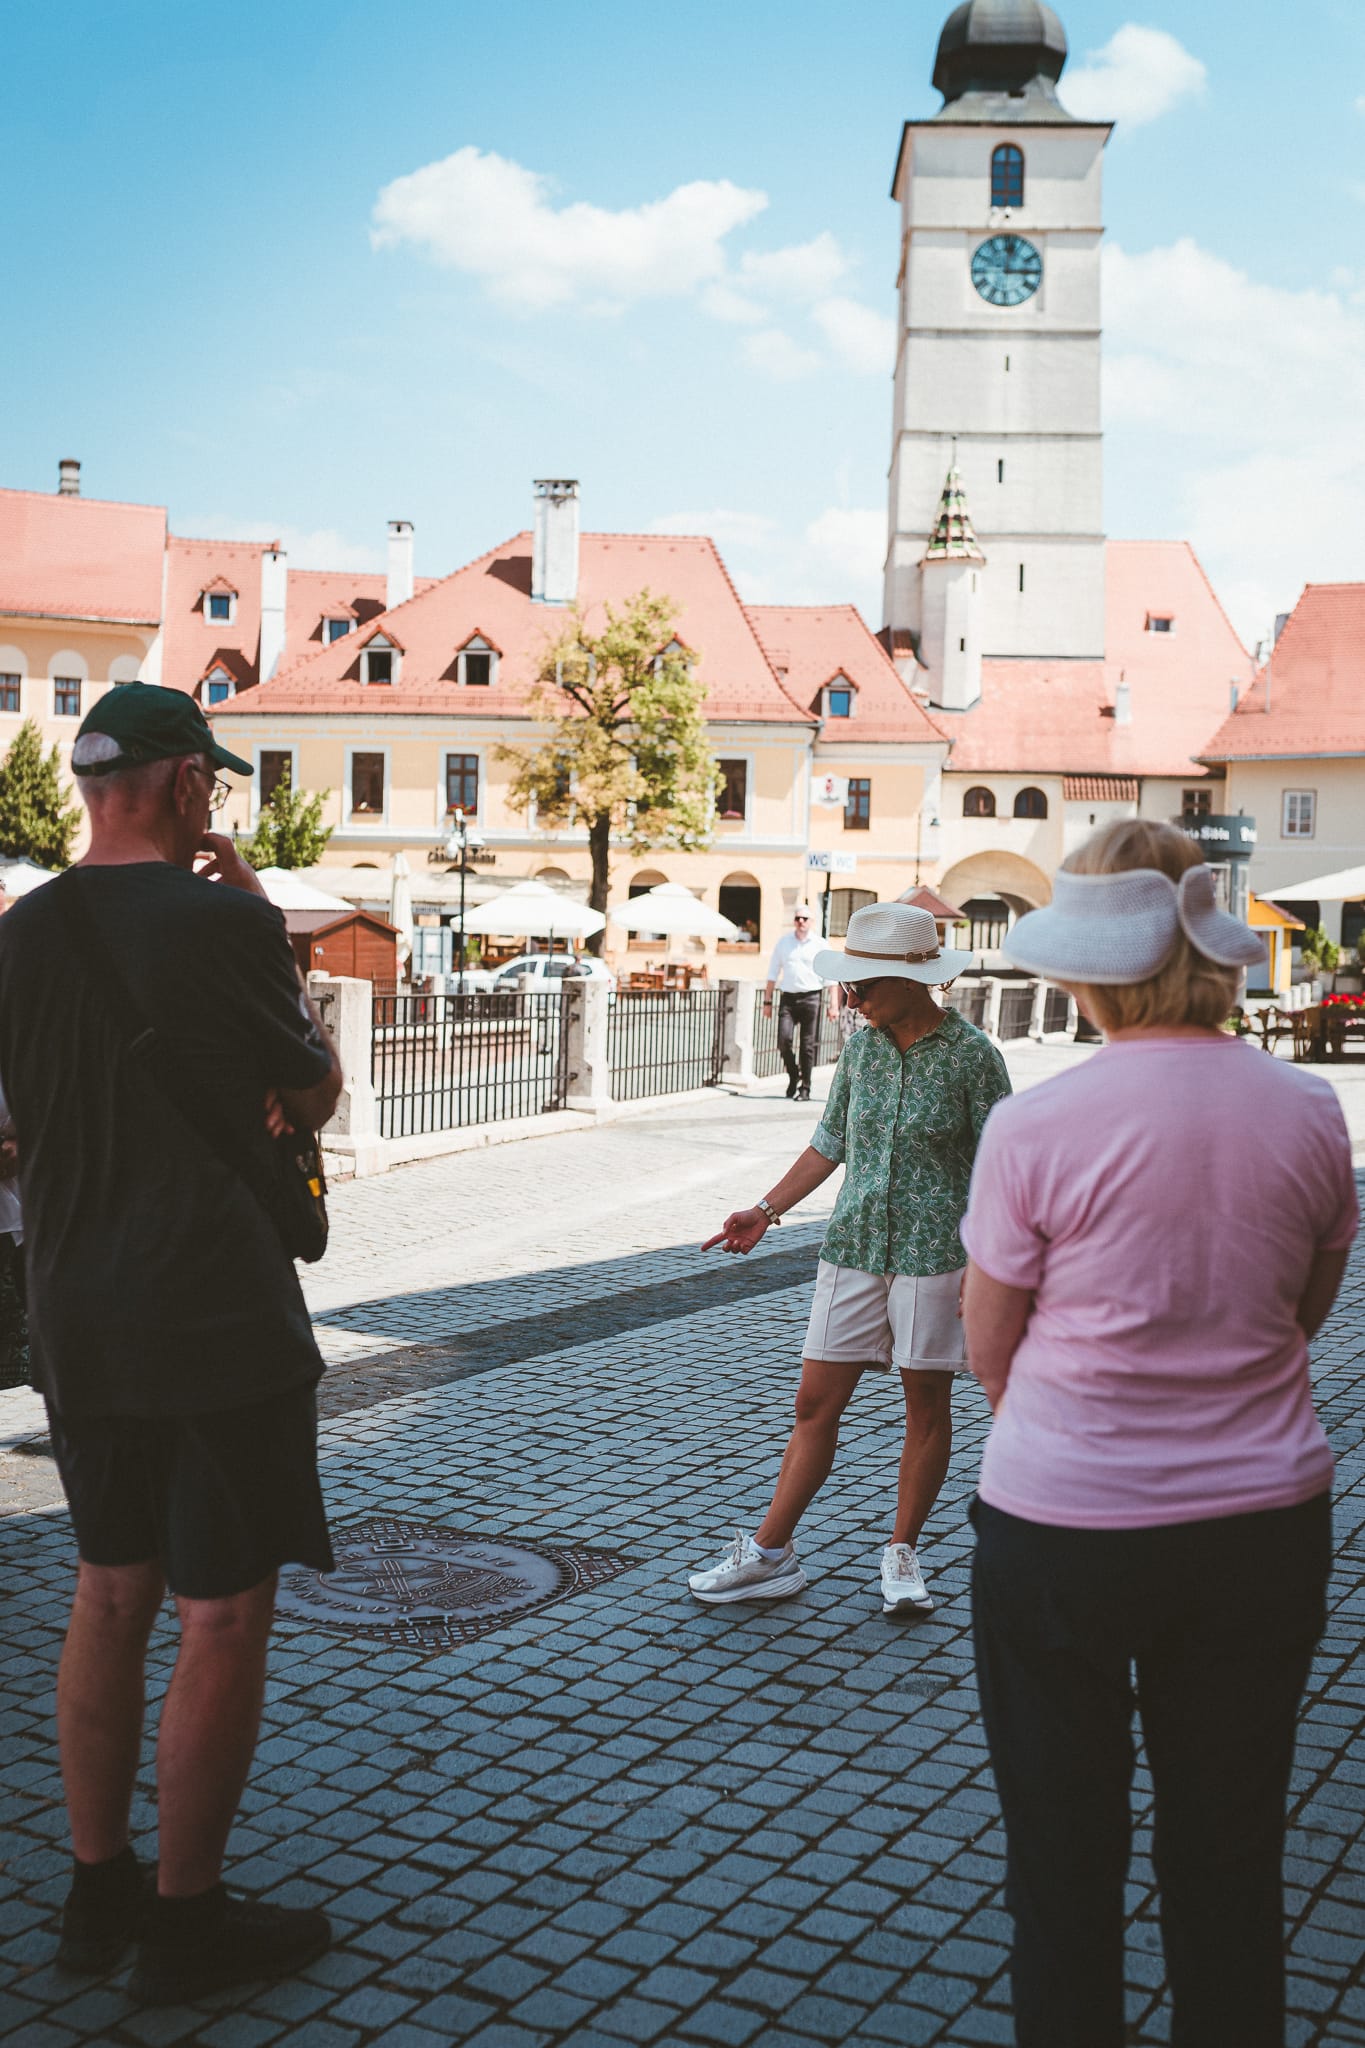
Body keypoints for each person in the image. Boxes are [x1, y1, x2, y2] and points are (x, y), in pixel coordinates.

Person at [961, 819, 1357, 2048]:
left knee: (1062, 1862)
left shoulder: (1035, 1125)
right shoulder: (1308, 1111)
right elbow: (1307, 1308)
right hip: (1257, 1529)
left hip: (1060, 1529)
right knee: (1231, 1855)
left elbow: (990, 1349)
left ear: (1085, 960)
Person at [0, 684, 344, 2006]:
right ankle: (187, 1920)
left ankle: (98, 1889)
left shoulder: (21, 937)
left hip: (76, 1307)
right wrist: (273, 945)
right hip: (215, 1312)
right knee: (222, 1610)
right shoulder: (225, 922)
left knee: (105, 1593)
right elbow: (312, 1092)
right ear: (187, 785)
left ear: (91, 787)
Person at [691, 901, 1010, 1614]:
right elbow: (829, 1142)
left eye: (862, 985)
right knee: (814, 1402)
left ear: (910, 978)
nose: (850, 997)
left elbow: (1001, 1168)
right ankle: (771, 1553)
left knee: (924, 1404)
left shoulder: (972, 1057)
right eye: (848, 984)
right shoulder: (862, 1049)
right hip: (855, 1245)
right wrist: (764, 1211)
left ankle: (901, 1551)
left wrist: (992, 1266)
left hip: (937, 1255)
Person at [763, 902, 824, 1100]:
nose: (801, 922)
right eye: (797, 918)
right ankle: (793, 1075)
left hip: (811, 997)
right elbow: (772, 973)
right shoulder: (783, 943)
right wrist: (767, 1002)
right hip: (788, 999)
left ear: (811, 922)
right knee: (783, 1041)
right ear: (794, 921)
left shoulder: (820, 944)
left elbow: (830, 978)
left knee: (807, 1045)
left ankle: (805, 1088)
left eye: (805, 918)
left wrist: (833, 1005)